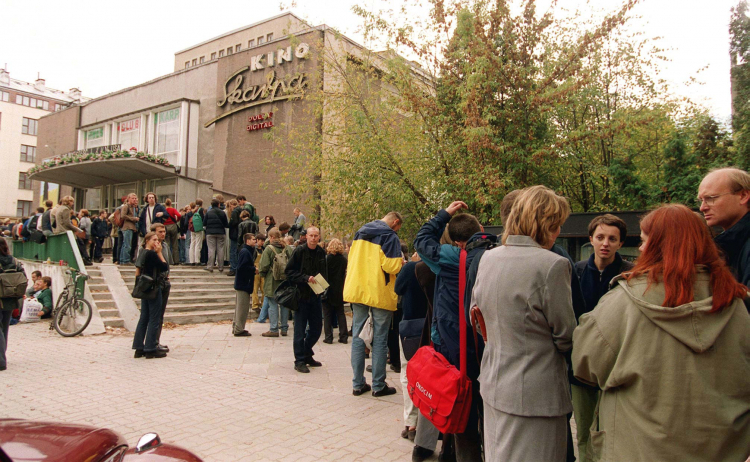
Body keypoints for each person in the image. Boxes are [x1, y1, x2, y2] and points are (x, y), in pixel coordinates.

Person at [572, 204, 750, 461]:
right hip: (722, 447)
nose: (641, 248)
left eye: (645, 242)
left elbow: (585, 364)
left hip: (638, 446)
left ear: (660, 246)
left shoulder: (624, 300)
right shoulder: (739, 303)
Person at [471, 185, 575, 462]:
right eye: (556, 225)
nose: (558, 233)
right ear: (544, 223)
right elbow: (566, 336)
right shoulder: (552, 265)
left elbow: (478, 315)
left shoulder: (488, 258)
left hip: (494, 385)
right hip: (535, 396)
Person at [413, 201, 495, 461]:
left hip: (454, 345)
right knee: (489, 411)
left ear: (457, 242)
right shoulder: (497, 256)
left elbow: (422, 239)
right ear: (481, 229)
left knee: (462, 413)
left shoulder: (450, 258)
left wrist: (444, 214)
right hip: (490, 345)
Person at [569, 214, 634, 460]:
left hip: (618, 366)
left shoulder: (630, 274)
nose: (605, 243)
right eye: (600, 237)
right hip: (582, 366)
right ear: (591, 240)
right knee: (584, 430)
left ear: (620, 243)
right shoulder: (577, 270)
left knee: (615, 432)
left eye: (612, 238)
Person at [344, 212, 404, 396]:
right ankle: (378, 385)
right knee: (379, 339)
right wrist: (401, 261)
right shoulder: (390, 236)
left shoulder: (360, 232)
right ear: (395, 222)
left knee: (358, 337)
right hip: (379, 291)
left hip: (358, 289)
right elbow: (391, 267)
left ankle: (357, 384)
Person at [394, 252, 430, 443]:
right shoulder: (440, 267)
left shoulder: (411, 268)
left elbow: (398, 289)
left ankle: (411, 422)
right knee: (429, 376)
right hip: (431, 325)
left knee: (408, 373)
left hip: (411, 326)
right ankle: (425, 423)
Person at [698, 167, 750, 288]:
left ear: (743, 196)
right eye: (701, 200)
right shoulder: (732, 243)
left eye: (710, 198)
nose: (702, 208)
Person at [285, 226, 327, 373]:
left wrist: (323, 287)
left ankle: (307, 352)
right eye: (311, 235)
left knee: (316, 329)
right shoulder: (299, 251)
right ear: (306, 236)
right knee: (300, 330)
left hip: (315, 295)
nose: (314, 238)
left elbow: (324, 272)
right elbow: (289, 272)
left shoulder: (321, 252)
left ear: (319, 237)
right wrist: (305, 278)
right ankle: (299, 360)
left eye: (316, 235)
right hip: (301, 296)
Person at [132, 232, 170, 359]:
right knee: (154, 317)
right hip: (153, 286)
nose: (157, 242)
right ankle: (150, 348)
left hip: (144, 286)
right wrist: (159, 252)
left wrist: (139, 284)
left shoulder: (142, 252)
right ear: (147, 240)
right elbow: (165, 267)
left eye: (158, 240)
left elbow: (138, 270)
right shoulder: (152, 254)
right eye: (154, 240)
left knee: (144, 317)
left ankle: (138, 347)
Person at [259, 229, 294, 337]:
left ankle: (274, 329)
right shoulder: (287, 248)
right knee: (284, 304)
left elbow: (263, 265)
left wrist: (263, 274)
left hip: (272, 280)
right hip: (285, 281)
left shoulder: (269, 249)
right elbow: (293, 263)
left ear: (272, 237)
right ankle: (284, 328)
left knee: (272, 304)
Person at [0, 239, 24, 371]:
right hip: (10, 299)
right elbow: (23, 276)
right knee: (4, 328)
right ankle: (2, 355)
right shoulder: (14, 261)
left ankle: (1, 361)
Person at [322, 238, 348, 344]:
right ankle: (343, 336)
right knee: (340, 313)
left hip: (328, 289)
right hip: (339, 289)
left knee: (327, 314)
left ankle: (328, 337)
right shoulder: (343, 260)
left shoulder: (327, 259)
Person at [233, 233, 258, 337]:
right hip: (243, 284)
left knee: (239, 307)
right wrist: (254, 269)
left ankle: (236, 327)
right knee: (242, 308)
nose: (255, 241)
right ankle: (239, 329)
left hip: (242, 283)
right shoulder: (245, 252)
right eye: (253, 239)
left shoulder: (247, 251)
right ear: (247, 241)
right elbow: (241, 267)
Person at [204, 199, 228, 273]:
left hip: (210, 233)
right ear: (218, 204)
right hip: (221, 232)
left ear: (211, 205)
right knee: (220, 249)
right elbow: (226, 224)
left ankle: (210, 266)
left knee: (211, 249)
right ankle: (221, 267)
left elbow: (204, 223)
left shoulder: (208, 213)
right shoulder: (222, 212)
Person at [119, 193, 140, 266]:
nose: (134, 200)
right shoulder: (126, 206)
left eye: (135, 198)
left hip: (132, 227)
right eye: (132, 198)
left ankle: (122, 260)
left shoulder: (134, 207)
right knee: (127, 245)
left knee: (126, 244)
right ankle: (125, 260)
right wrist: (134, 219)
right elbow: (123, 216)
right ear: (128, 199)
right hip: (127, 227)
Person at [163, 198, 182, 265]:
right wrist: (177, 220)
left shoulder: (164, 210)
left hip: (165, 226)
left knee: (166, 244)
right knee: (175, 244)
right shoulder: (173, 209)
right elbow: (179, 215)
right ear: (171, 203)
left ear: (165, 204)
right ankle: (176, 260)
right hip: (173, 226)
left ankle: (167, 259)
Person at [188, 199, 205, 266]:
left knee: (192, 244)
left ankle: (191, 260)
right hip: (198, 229)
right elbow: (203, 218)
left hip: (192, 229)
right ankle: (197, 260)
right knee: (198, 244)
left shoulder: (192, 210)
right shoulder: (200, 210)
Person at [253, 233, 267, 316]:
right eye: (261, 241)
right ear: (257, 240)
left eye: (263, 241)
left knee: (263, 288)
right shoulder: (253, 249)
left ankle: (263, 304)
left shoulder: (264, 249)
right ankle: (255, 305)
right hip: (255, 270)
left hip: (262, 270)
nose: (262, 243)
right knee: (254, 288)